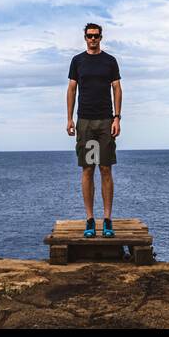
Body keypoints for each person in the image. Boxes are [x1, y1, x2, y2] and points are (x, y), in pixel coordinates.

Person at [66, 23, 121, 237]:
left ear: (101, 37)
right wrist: (69, 119)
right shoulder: (77, 61)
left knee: (105, 169)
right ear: (85, 37)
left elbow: (117, 88)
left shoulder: (110, 61)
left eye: (96, 36)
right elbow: (71, 89)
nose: (93, 39)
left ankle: (107, 220)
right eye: (89, 36)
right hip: (86, 123)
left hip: (105, 122)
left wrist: (117, 118)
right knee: (88, 169)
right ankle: (90, 220)